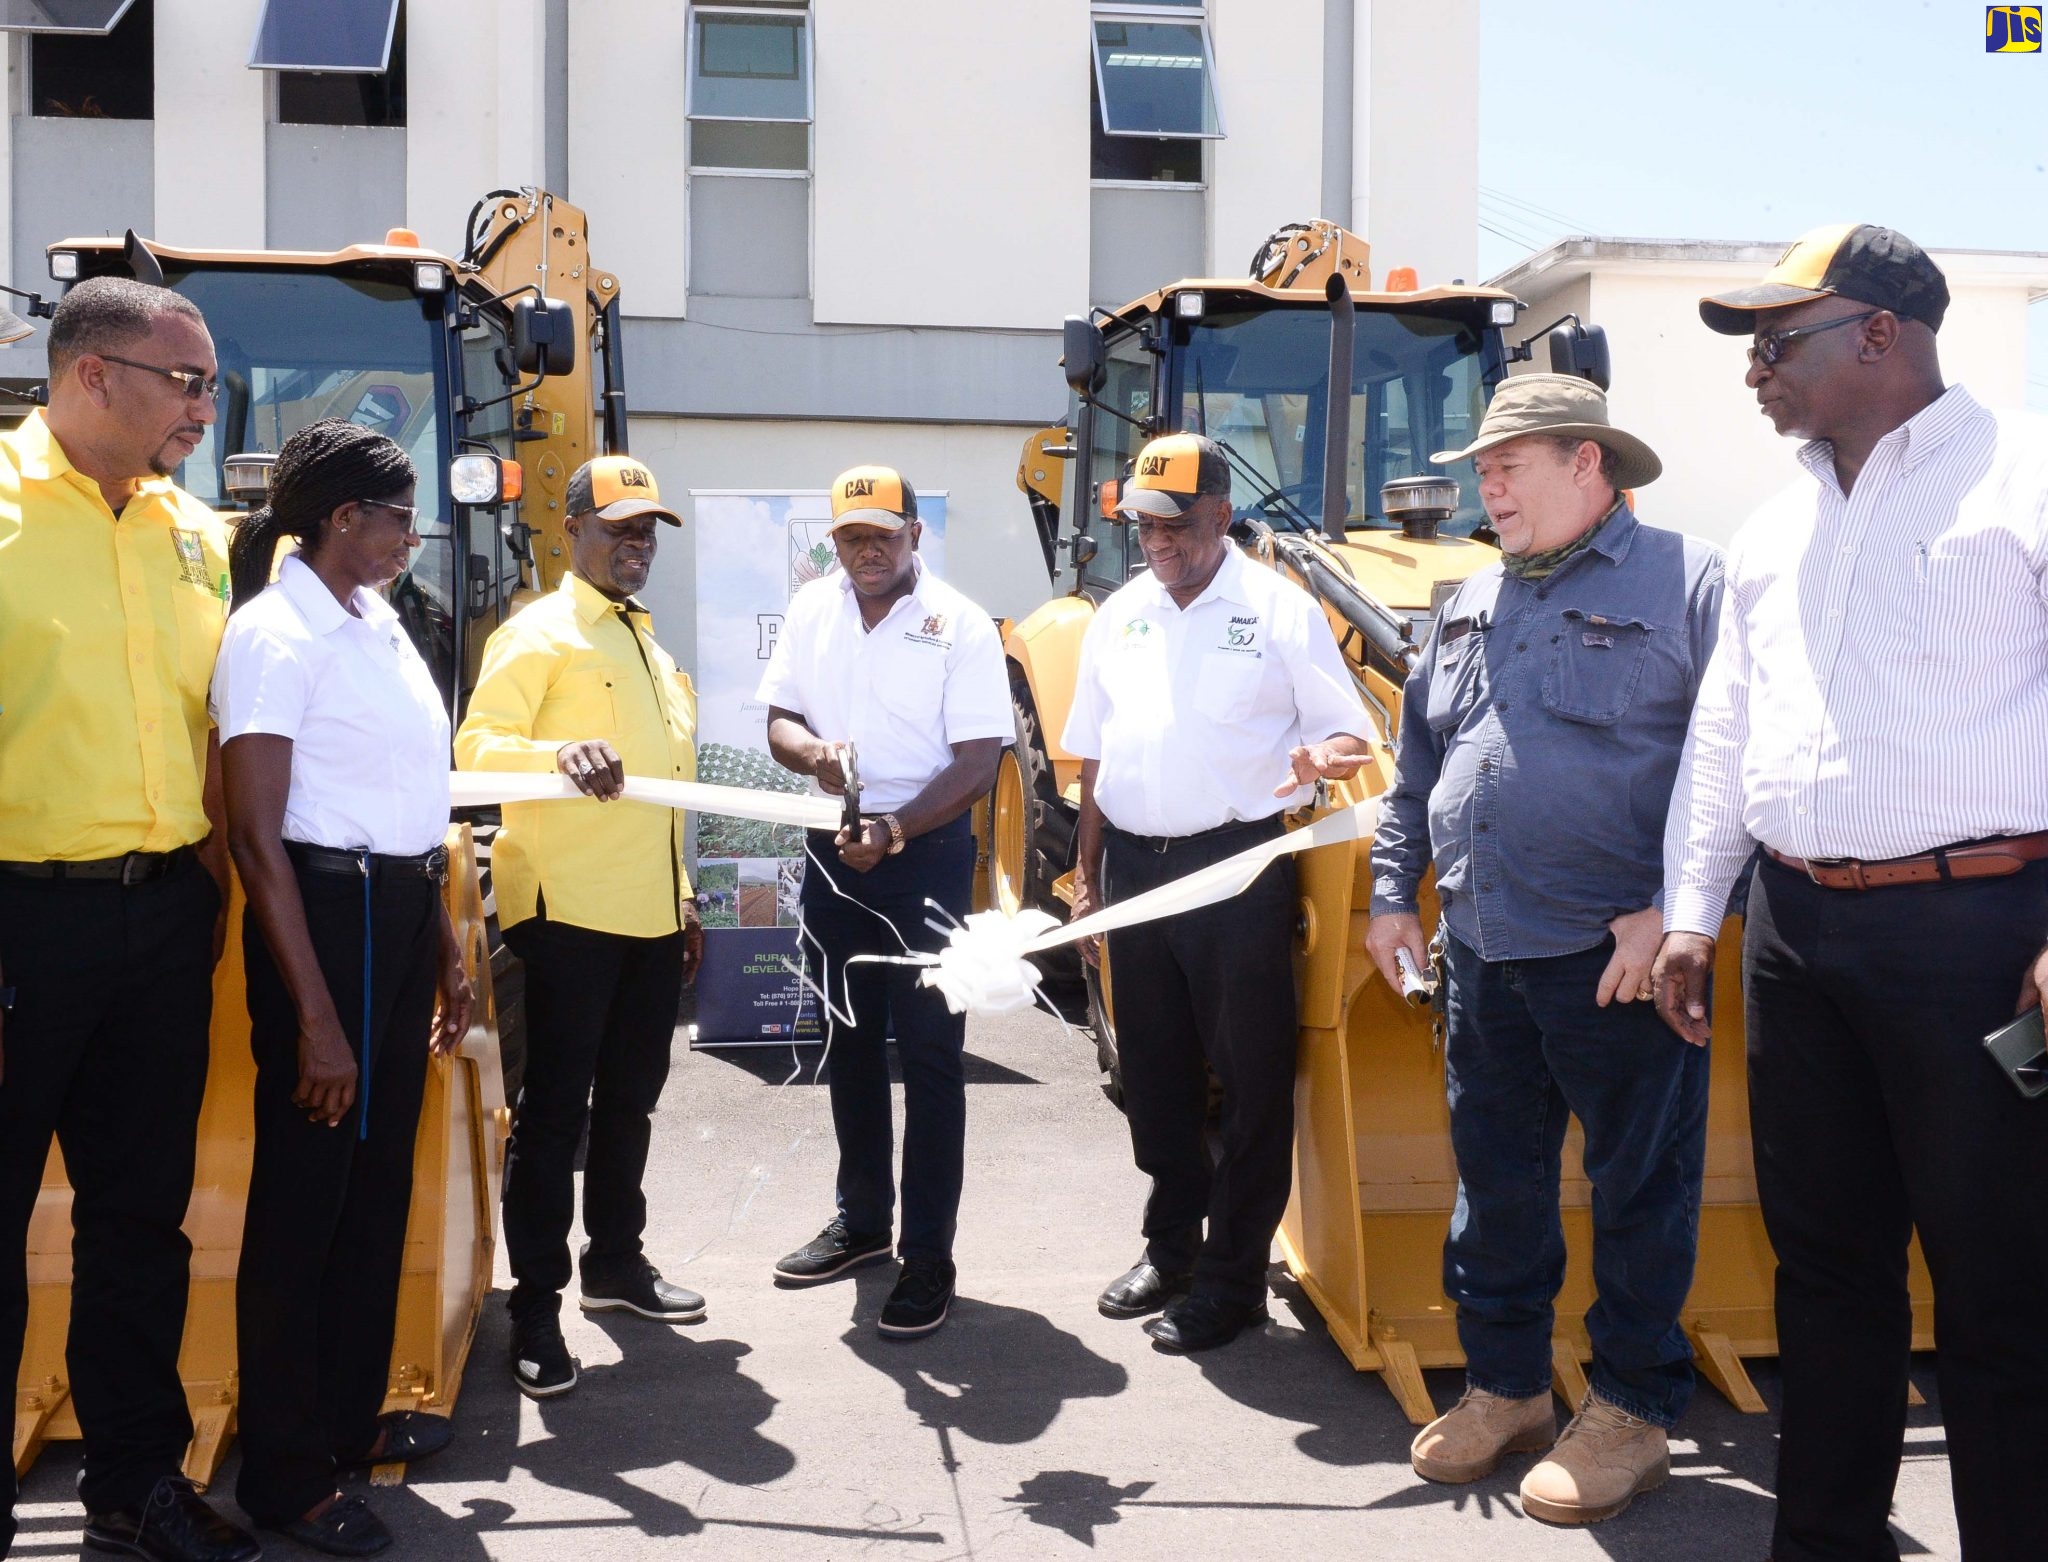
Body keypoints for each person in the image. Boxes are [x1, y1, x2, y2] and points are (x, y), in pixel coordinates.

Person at [1657, 224, 2048, 1562]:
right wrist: (1695, 911)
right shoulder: (1773, 527)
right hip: (1798, 937)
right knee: (1825, 1278)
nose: (1754, 373)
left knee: (2004, 1291)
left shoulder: (2025, 478)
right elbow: (1727, 729)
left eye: (1777, 344)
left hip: (1983, 937)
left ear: (1883, 334)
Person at [1365, 378, 1722, 1523]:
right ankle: (1508, 1385)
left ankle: (1628, 1405)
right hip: (1481, 944)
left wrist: (1670, 909)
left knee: (1637, 1185)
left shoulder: (1688, 579)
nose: (1487, 485)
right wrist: (1390, 892)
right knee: (1497, 1180)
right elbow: (1418, 764)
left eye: (1509, 463)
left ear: (1588, 464)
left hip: (1615, 956)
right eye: (1481, 467)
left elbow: (1739, 764)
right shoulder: (1469, 596)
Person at [0, 278, 260, 1562]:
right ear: (93, 375)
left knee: (140, 1220)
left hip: (161, 918)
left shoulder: (194, 533)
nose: (207, 407)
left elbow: (217, 724)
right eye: (188, 381)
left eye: (210, 382)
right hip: (17, 920)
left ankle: (135, 1480)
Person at [213, 419, 473, 1556]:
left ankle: (340, 1427)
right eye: (395, 514)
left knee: (374, 1201)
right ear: (337, 520)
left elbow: (413, 794)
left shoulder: (375, 622)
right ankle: (285, 1477)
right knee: (308, 1210)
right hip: (332, 918)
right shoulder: (276, 634)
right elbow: (257, 838)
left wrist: (451, 945)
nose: (410, 534)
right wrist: (316, 1017)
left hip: (398, 912)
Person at [1064, 433, 1370, 1353]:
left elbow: (1349, 737)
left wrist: (1325, 756)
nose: (1157, 540)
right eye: (1144, 524)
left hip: (1235, 868)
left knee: (1248, 1080)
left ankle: (1235, 1281)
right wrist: (1087, 884)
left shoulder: (1280, 612)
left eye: (1176, 524)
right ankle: (1173, 1249)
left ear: (1221, 517)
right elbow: (1093, 759)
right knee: (1153, 1076)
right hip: (1132, 866)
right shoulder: (1119, 614)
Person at [456, 456, 705, 1399]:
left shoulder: (649, 645)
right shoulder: (540, 634)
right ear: (573, 529)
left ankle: (615, 1265)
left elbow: (667, 796)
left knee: (632, 1105)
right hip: (565, 919)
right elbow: (475, 753)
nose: (636, 546)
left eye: (647, 532)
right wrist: (555, 752)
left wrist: (682, 897)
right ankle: (536, 1307)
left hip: (647, 918)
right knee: (556, 1118)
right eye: (620, 528)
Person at [758, 465, 1009, 1338]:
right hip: (833, 849)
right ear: (834, 542)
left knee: (934, 1058)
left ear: (915, 536)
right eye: (850, 537)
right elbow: (778, 721)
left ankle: (928, 1256)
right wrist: (814, 752)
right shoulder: (812, 609)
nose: (867, 551)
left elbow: (979, 761)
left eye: (882, 535)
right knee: (850, 1043)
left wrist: (897, 830)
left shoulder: (961, 626)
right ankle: (864, 1223)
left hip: (927, 856)